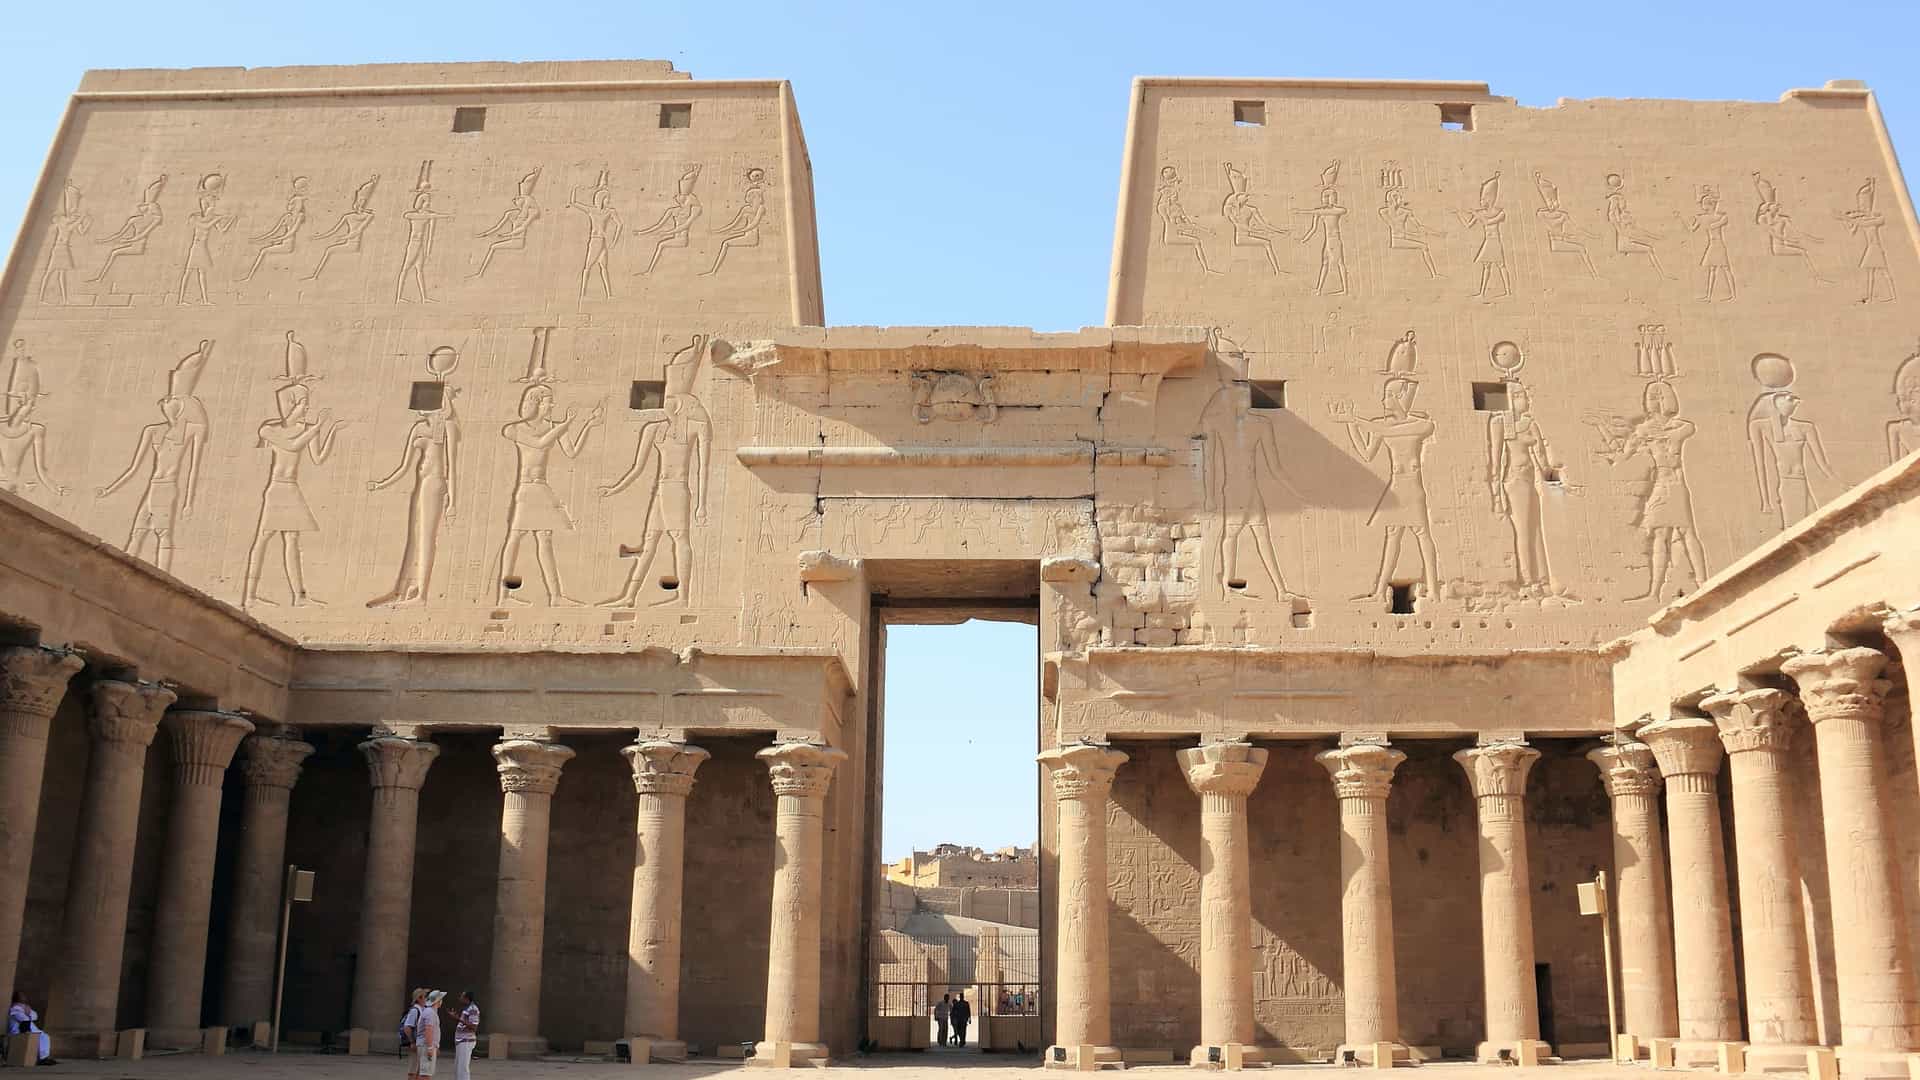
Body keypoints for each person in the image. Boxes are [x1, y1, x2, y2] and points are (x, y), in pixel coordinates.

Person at [8, 991, 53, 1065]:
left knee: (44, 1036)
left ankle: (43, 1058)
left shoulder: (25, 1007)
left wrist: (28, 1013)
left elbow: (35, 1016)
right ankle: (42, 1059)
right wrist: (27, 1014)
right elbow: (22, 1018)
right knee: (42, 1037)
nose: (24, 997)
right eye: (21, 995)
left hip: (31, 1029)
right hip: (19, 1030)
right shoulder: (14, 1007)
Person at [402, 988, 428, 1080]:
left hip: (421, 1043)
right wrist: (412, 1042)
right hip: (416, 1043)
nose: (426, 999)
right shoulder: (414, 1010)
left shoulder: (423, 1009)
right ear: (419, 998)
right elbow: (407, 1027)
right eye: (425, 997)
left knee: (420, 1069)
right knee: (413, 1068)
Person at [417, 990, 445, 1077]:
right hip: (426, 1045)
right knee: (426, 1073)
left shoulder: (430, 1012)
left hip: (426, 1045)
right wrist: (430, 1047)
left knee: (425, 1072)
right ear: (438, 1000)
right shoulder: (430, 1013)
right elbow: (428, 1030)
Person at [452, 991, 479, 1080]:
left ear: (466, 998)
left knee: (463, 1067)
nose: (460, 998)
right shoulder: (466, 1009)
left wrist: (458, 1019)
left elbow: (474, 1027)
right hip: (461, 1041)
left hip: (466, 1041)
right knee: (458, 1067)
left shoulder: (473, 1009)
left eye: (462, 996)